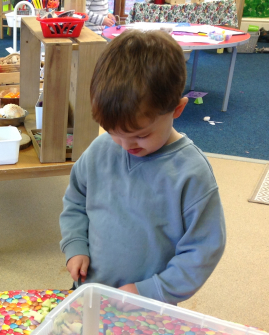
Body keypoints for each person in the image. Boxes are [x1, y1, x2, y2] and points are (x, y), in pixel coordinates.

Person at [59, 30, 226, 305]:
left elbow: (203, 248)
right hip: (89, 293)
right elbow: (76, 201)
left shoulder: (191, 174)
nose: (124, 145)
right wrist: (75, 245)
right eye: (113, 131)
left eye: (141, 135)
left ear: (177, 109)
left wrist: (151, 291)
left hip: (148, 306)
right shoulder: (101, 150)